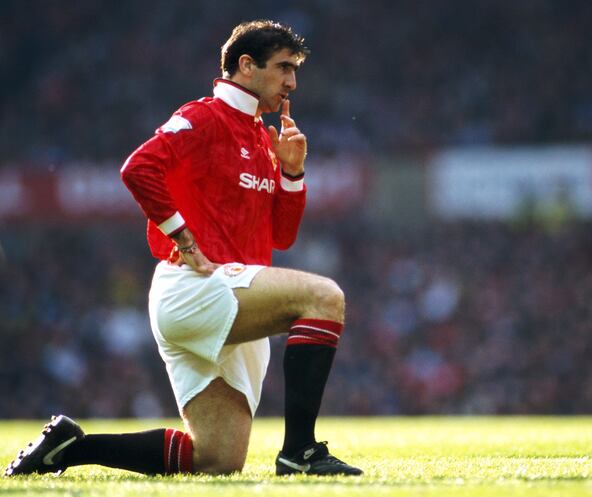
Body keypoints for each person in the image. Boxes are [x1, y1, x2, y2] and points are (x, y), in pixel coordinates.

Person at [6, 20, 361, 477]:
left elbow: (281, 237)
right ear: (246, 66)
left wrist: (292, 174)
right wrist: (184, 237)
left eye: (295, 70)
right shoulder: (204, 116)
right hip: (194, 289)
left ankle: (69, 448)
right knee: (324, 297)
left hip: (232, 296)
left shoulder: (261, 137)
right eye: (284, 68)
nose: (292, 82)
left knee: (217, 459)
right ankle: (302, 451)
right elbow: (137, 168)